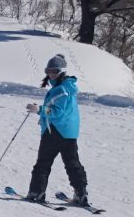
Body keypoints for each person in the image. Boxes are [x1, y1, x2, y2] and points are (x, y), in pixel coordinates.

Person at [23, 54, 88, 205]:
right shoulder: (67, 88)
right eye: (48, 70)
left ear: (62, 72)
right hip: (69, 132)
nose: (51, 74)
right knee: (72, 163)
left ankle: (36, 192)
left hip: (55, 132)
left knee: (43, 162)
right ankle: (81, 193)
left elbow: (57, 112)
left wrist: (39, 109)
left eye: (54, 71)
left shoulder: (61, 90)